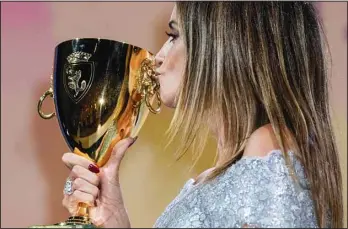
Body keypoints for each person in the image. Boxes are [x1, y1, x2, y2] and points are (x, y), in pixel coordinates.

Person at [61, 2, 343, 228]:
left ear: (226, 44)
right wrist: (115, 218)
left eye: (173, 36)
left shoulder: (268, 146)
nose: (157, 57)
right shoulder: (220, 175)